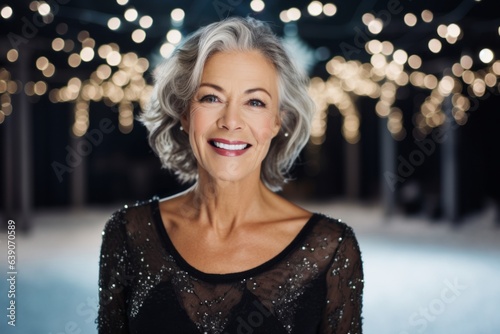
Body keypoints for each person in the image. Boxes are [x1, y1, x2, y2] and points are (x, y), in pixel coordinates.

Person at [97, 16, 363, 334]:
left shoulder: (331, 248)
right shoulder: (128, 234)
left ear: (278, 122)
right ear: (184, 113)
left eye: (254, 102)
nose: (231, 120)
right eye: (211, 97)